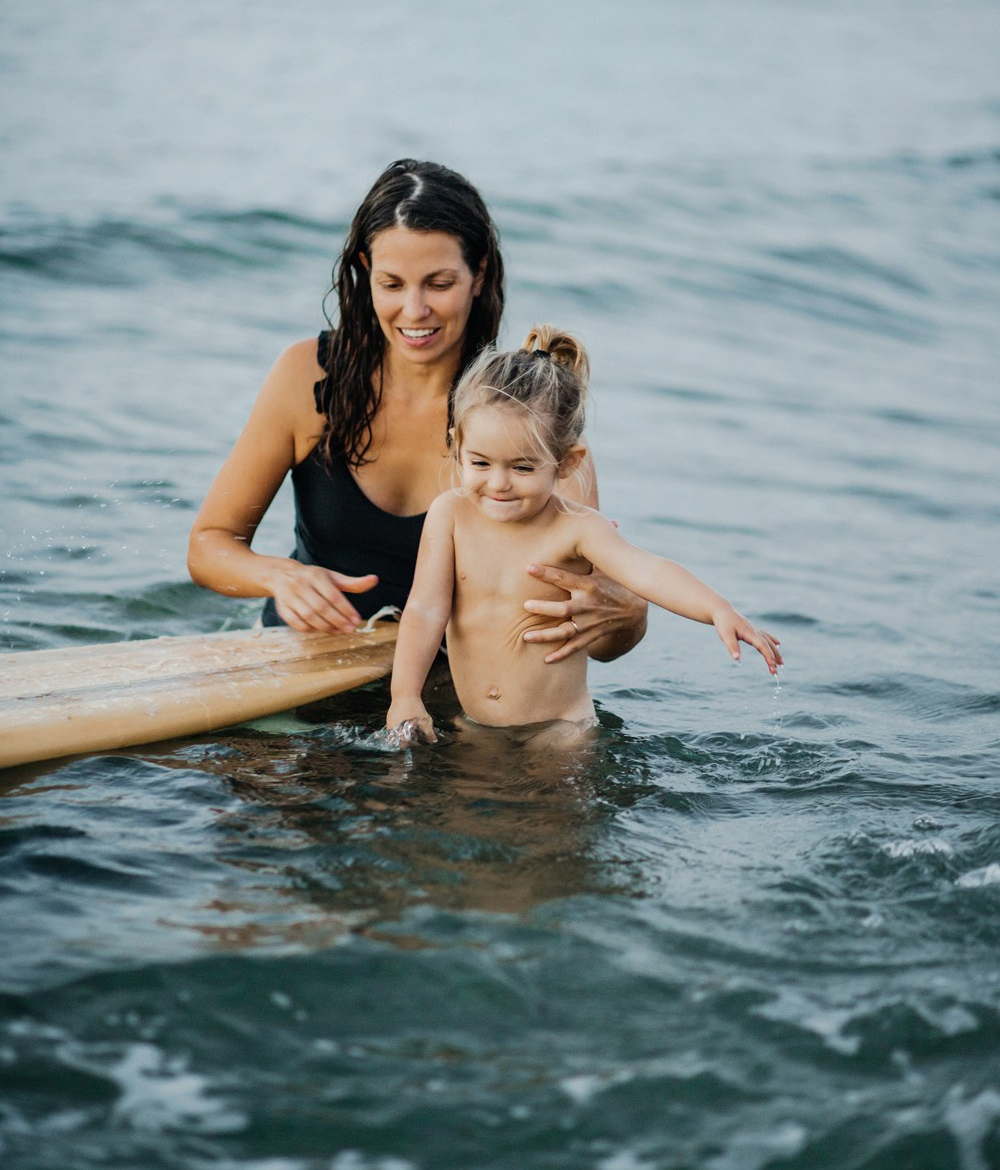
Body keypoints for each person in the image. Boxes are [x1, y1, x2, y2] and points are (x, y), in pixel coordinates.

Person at [187, 160, 647, 662]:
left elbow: (602, 640)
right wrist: (280, 576)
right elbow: (210, 545)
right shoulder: (309, 376)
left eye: (439, 283)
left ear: (479, 275)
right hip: (304, 664)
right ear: (365, 272)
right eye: (391, 284)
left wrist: (627, 615)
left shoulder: (524, 410)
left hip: (449, 688)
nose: (414, 309)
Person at [386, 325, 783, 742]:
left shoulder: (575, 528)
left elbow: (648, 572)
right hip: (476, 726)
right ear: (457, 446)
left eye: (522, 468)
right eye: (481, 463)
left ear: (567, 463)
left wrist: (717, 609)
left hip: (560, 732)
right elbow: (425, 610)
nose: (499, 483)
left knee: (554, 807)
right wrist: (405, 696)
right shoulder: (450, 514)